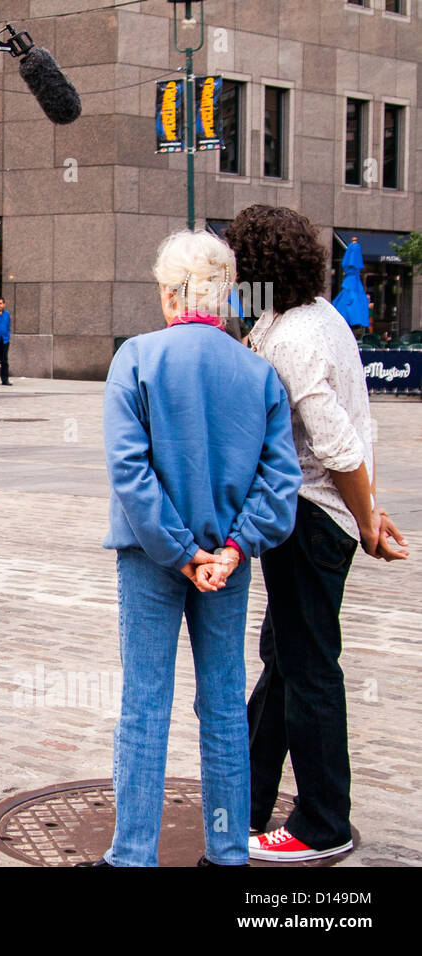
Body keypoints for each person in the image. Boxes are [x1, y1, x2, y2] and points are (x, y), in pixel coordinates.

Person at [85, 229, 302, 867]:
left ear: (175, 292)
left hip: (153, 557)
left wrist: (180, 552)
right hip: (227, 563)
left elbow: (130, 473)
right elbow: (279, 479)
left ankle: (134, 855)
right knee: (225, 706)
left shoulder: (137, 358)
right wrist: (231, 550)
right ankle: (229, 852)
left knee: (145, 704)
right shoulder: (257, 371)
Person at [227, 205, 410, 863]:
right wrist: (367, 509)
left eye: (234, 266)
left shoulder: (291, 339)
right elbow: (360, 426)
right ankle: (243, 799)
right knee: (284, 660)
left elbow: (335, 441)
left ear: (254, 269)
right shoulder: (312, 316)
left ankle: (320, 823)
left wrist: (365, 522)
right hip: (321, 513)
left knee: (308, 672)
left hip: (308, 517)